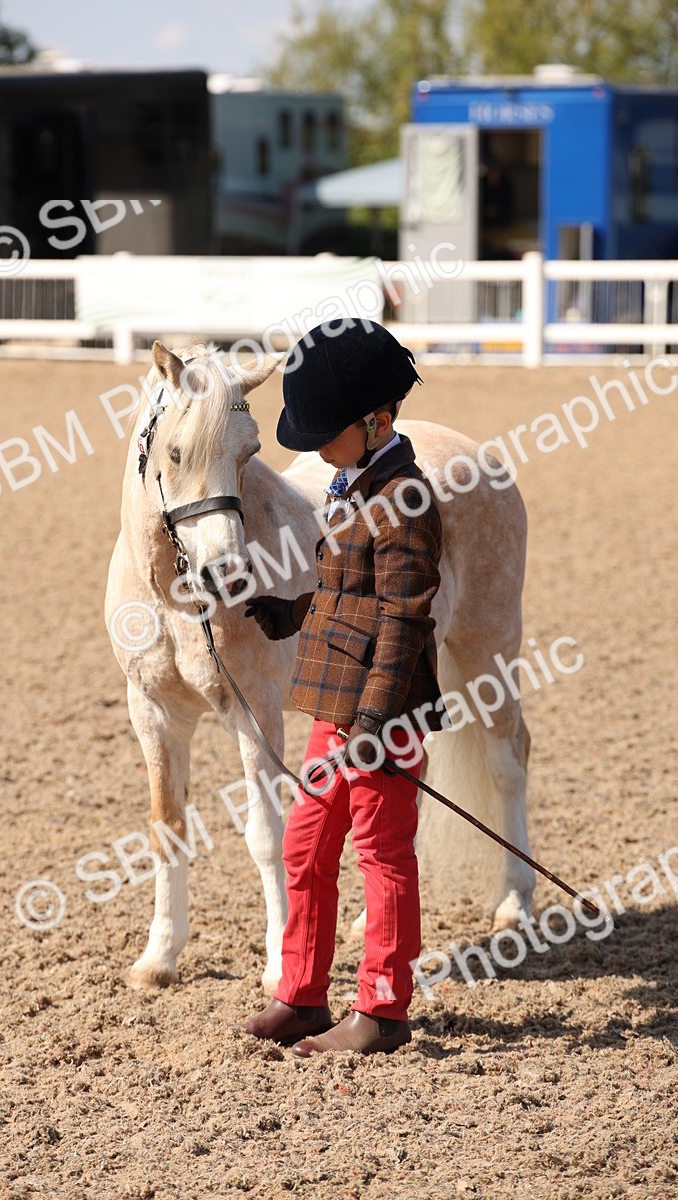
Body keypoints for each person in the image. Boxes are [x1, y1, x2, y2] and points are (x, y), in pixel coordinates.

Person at [243, 318, 445, 1057]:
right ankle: (301, 995)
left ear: (378, 420)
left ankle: (384, 1012)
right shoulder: (351, 481)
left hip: (381, 713)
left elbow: (403, 614)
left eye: (327, 433)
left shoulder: (406, 500)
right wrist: (289, 612)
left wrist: (375, 716)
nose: (314, 447)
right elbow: (350, 593)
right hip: (340, 706)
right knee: (305, 845)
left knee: (382, 853)